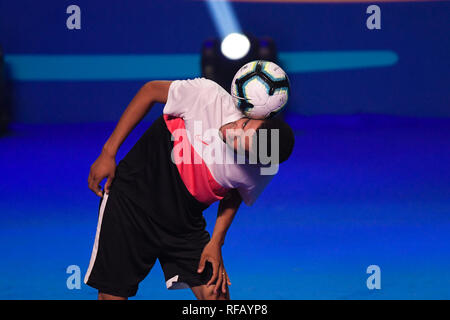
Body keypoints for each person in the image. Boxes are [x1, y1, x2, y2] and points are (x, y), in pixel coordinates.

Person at [84, 76, 295, 300]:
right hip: (132, 204)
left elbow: (236, 192)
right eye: (243, 126)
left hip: (183, 224)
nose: (231, 133)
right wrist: (108, 152)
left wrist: (216, 242)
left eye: (239, 143)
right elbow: (150, 91)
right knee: (112, 296)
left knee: (217, 295)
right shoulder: (207, 96)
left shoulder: (262, 168)